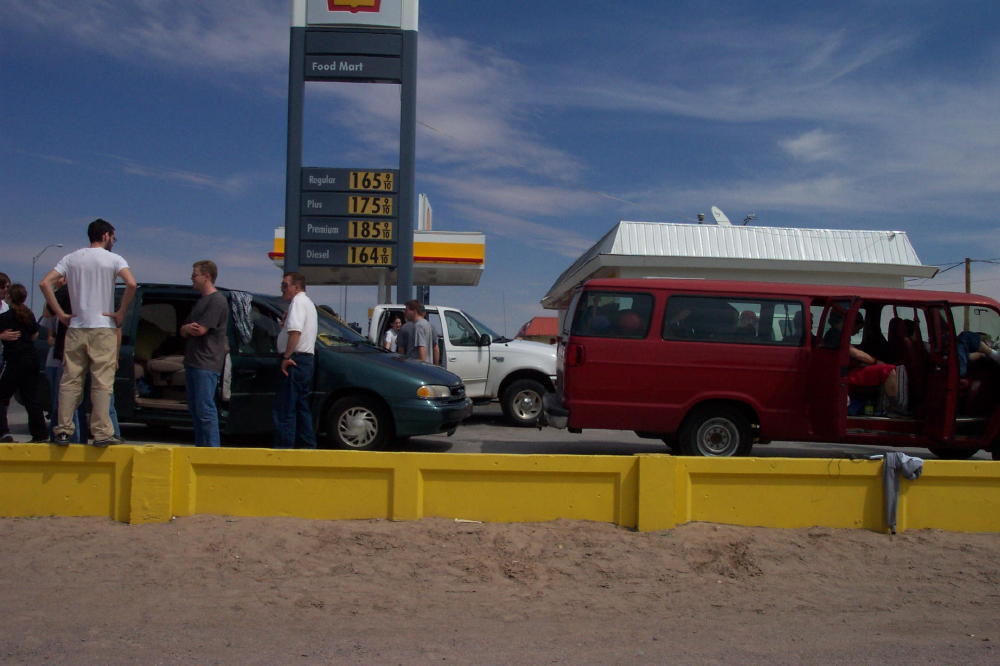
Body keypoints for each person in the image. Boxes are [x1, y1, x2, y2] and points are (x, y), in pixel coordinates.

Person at [39, 218, 136, 447]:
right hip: (103, 327)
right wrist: (120, 312)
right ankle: (102, 433)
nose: (114, 241)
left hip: (76, 327)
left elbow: (45, 283)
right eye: (113, 237)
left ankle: (63, 430)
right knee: (102, 382)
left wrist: (60, 313)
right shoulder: (114, 259)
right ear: (105, 235)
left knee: (70, 380)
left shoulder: (71, 258)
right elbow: (131, 284)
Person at [179, 260, 228, 447]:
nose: (192, 278)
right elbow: (184, 329)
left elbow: (200, 330)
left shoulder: (217, 301)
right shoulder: (201, 301)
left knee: (205, 409)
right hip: (193, 362)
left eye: (194, 275)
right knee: (195, 409)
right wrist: (186, 328)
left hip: (205, 363)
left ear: (206, 276)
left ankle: (211, 451)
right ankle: (201, 448)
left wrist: (189, 328)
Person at [273, 272, 317, 449]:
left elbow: (296, 332)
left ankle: (284, 449)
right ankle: (307, 447)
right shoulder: (308, 303)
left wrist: (286, 357)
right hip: (306, 361)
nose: (282, 289)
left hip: (296, 360)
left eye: (285, 285)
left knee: (286, 408)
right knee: (301, 407)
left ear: (296, 287)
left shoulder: (298, 302)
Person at [0, 284, 48, 442]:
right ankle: (40, 434)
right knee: (32, 399)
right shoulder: (29, 315)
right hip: (31, 360)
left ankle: (3, 432)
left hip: (14, 361)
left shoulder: (6, 317)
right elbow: (35, 335)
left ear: (9, 298)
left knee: (2, 396)